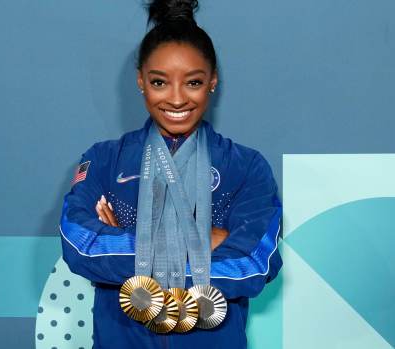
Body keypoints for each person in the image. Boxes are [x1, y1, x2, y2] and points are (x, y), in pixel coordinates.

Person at [59, 0, 282, 348]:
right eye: (160, 82)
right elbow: (80, 245)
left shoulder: (247, 167)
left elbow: (253, 263)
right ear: (141, 82)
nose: (177, 99)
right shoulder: (104, 160)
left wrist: (129, 240)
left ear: (212, 82)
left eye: (192, 82)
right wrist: (208, 240)